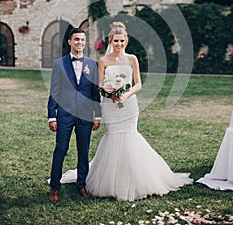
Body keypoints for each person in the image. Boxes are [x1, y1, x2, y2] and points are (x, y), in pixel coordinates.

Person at [60, 22, 193, 201]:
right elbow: (99, 84)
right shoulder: (103, 61)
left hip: (129, 104)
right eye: (116, 41)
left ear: (127, 41)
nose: (119, 44)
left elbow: (138, 83)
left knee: (130, 136)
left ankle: (137, 179)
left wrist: (125, 94)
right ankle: (109, 181)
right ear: (111, 41)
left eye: (122, 41)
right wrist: (109, 91)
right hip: (110, 105)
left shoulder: (132, 59)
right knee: (113, 137)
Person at [47, 27, 101, 202]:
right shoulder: (59, 64)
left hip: (85, 114)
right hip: (65, 114)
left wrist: (97, 115)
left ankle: (82, 185)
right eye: (76, 39)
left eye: (82, 40)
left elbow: (95, 92)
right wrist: (52, 115)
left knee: (83, 151)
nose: (80, 43)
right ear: (70, 41)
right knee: (61, 149)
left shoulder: (92, 64)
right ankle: (55, 187)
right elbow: (54, 91)